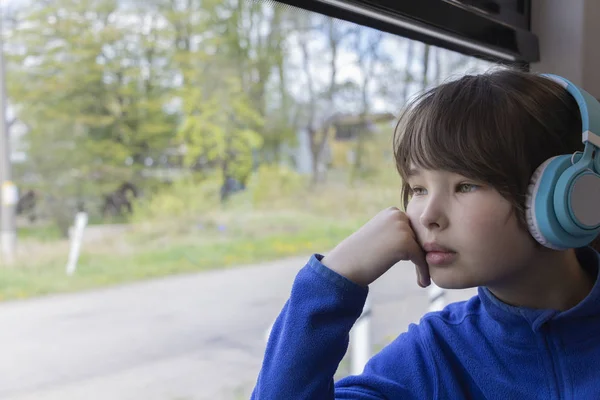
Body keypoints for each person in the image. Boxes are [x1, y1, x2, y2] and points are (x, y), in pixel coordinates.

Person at [250, 69, 600, 399]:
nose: (427, 215)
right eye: (417, 189)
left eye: (465, 185)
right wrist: (336, 277)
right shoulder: (432, 357)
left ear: (568, 195)